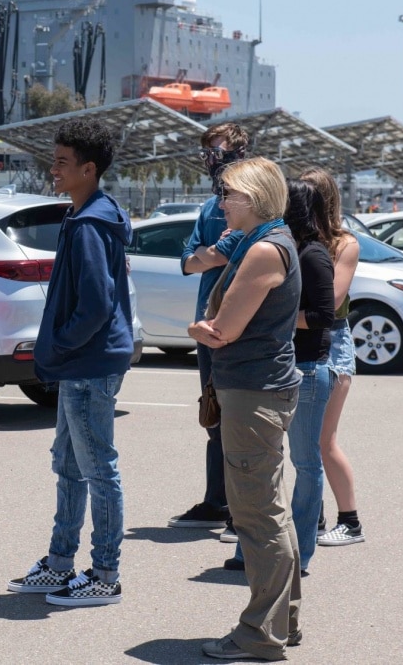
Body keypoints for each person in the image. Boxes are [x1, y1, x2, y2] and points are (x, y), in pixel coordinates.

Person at [7, 117, 134, 607]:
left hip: (88, 363)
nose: (52, 169)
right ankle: (61, 564)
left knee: (97, 469)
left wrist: (59, 344)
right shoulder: (89, 215)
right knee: (68, 465)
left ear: (89, 168)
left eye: (62, 162)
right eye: (53, 160)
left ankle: (104, 575)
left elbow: (97, 305)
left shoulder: (88, 224)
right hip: (84, 363)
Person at [190, 157, 302, 660]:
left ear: (254, 198)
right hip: (262, 391)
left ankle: (260, 635)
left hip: (254, 394)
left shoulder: (263, 250)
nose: (221, 203)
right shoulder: (271, 242)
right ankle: (282, 624)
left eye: (228, 194)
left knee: (257, 518)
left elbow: (222, 332)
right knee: (270, 512)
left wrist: (197, 329)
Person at [224, 179, 335, 577]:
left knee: (305, 464)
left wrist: (280, 322)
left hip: (306, 368)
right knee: (264, 471)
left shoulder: (312, 255)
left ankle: (301, 553)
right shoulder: (271, 248)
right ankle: (249, 551)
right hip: (281, 369)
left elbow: (326, 317)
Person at [171, 123, 249, 539]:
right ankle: (216, 501)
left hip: (239, 325)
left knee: (243, 419)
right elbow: (187, 260)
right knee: (213, 413)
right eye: (207, 152)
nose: (210, 161)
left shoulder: (256, 201)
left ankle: (244, 512)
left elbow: (238, 250)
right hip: (207, 324)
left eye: (216, 152)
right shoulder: (207, 208)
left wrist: (213, 253)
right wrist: (212, 253)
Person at [301, 167, 365, 546]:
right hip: (299, 346)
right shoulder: (295, 238)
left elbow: (333, 301)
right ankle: (315, 517)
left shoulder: (344, 244)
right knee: (304, 444)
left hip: (332, 343)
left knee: (324, 440)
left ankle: (351, 521)